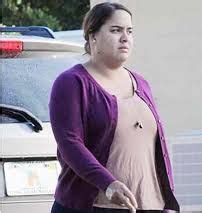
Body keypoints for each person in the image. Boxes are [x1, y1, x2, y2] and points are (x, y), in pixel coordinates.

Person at [49, 2, 179, 213]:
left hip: (147, 205)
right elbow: (69, 143)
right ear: (93, 36)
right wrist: (108, 184)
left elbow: (152, 149)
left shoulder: (141, 82)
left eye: (129, 31)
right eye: (116, 30)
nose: (125, 37)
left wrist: (167, 201)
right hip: (92, 206)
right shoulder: (72, 82)